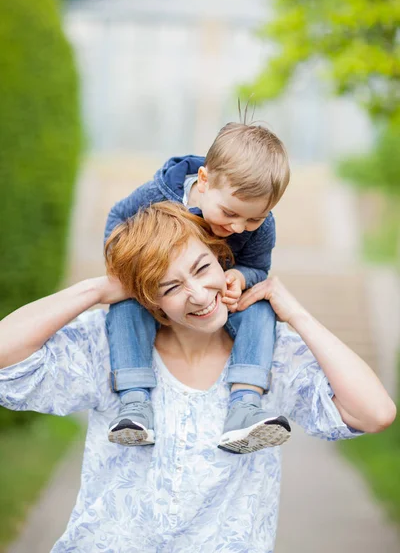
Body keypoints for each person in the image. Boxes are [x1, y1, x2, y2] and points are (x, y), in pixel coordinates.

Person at [0, 202, 396, 552]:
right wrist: (99, 289)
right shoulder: (108, 347)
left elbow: (374, 413)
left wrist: (296, 315)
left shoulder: (272, 355)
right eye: (170, 286)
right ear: (148, 298)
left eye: (201, 268)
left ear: (222, 258)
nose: (198, 294)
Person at [105, 121, 292, 453]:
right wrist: (129, 272)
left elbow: (259, 267)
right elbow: (118, 221)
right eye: (230, 212)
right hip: (159, 292)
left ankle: (245, 405)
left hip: (217, 300)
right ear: (203, 181)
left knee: (261, 309)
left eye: (254, 219)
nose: (238, 227)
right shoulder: (157, 195)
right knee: (125, 308)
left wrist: (243, 277)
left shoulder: (262, 228)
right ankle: (134, 404)